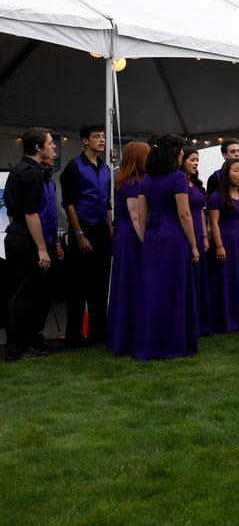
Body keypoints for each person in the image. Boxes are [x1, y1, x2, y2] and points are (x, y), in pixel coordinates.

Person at [134, 133, 200, 361]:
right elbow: (184, 213)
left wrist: (148, 238)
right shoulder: (178, 177)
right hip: (174, 237)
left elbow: (141, 216)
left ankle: (151, 342)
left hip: (153, 236)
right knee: (175, 290)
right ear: (176, 153)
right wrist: (194, 245)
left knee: (154, 291)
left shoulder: (147, 179)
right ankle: (174, 343)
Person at [4, 128, 61, 362]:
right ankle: (17, 348)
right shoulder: (30, 173)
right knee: (23, 295)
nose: (54, 147)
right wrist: (41, 248)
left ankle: (27, 342)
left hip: (18, 235)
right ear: (38, 148)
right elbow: (31, 214)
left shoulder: (21, 170)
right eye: (50, 143)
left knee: (32, 294)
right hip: (25, 238)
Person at [60, 122, 112, 346]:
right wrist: (79, 234)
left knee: (100, 284)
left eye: (103, 136)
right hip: (82, 226)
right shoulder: (73, 167)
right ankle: (73, 336)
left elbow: (108, 203)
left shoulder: (105, 167)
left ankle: (98, 333)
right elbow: (68, 204)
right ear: (85, 140)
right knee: (78, 285)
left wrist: (111, 231)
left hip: (101, 228)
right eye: (97, 136)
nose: (101, 140)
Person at [107, 141, 150, 356]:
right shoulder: (134, 183)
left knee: (126, 284)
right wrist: (148, 244)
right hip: (131, 237)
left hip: (124, 234)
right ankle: (131, 336)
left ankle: (123, 335)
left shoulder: (125, 181)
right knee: (132, 284)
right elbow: (136, 218)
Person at [207, 158, 239, 332]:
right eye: (236, 170)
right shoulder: (217, 197)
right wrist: (219, 246)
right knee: (225, 282)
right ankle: (225, 319)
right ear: (227, 173)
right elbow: (214, 223)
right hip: (226, 244)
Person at [182, 146, 213, 336]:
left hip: (198, 234)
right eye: (192, 160)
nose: (195, 163)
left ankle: (200, 321)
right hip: (185, 233)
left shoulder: (196, 183)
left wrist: (204, 234)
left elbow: (200, 211)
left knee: (199, 278)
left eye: (197, 160)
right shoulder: (178, 183)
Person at [205, 138, 239, 207]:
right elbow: (211, 206)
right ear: (225, 155)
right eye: (233, 152)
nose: (237, 154)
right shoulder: (214, 178)